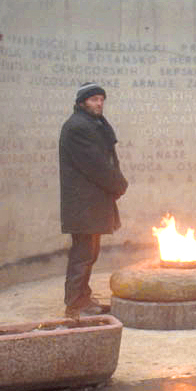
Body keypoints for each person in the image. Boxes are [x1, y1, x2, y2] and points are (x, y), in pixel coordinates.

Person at [59, 82, 128, 317]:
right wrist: (118, 184)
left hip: (90, 202)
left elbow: (101, 161)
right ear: (82, 103)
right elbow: (96, 165)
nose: (99, 104)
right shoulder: (79, 127)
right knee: (83, 254)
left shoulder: (91, 124)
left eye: (101, 99)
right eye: (94, 100)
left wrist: (115, 183)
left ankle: (82, 296)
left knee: (88, 253)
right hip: (83, 203)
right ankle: (75, 303)